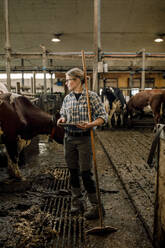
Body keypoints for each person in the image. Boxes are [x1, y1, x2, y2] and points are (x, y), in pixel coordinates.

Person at [57, 68, 108, 220]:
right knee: (72, 171)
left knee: (85, 173)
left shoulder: (91, 96)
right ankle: (77, 201)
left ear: (78, 80)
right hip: (69, 138)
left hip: (85, 138)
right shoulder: (67, 98)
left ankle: (96, 206)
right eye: (66, 80)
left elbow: (103, 117)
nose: (66, 83)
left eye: (68, 80)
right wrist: (62, 120)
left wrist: (91, 124)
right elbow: (63, 114)